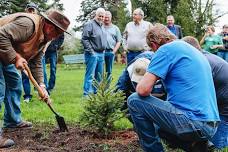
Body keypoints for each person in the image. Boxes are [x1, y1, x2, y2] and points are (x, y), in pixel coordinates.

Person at [127, 23, 220, 152]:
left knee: (134, 101)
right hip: (210, 125)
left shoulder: (165, 49)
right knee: (157, 125)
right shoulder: (191, 49)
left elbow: (142, 90)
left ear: (154, 45)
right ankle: (196, 146)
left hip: (192, 121)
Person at [0, 9, 70, 148]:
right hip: (4, 49)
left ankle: (13, 120)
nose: (57, 37)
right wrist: (16, 58)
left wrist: (42, 86)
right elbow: (1, 35)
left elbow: (37, 62)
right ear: (50, 26)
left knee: (15, 84)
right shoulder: (28, 24)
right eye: (58, 33)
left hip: (5, 54)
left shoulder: (45, 37)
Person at [182, 36, 228, 149]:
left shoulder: (202, 61)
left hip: (225, 102)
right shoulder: (206, 56)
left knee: (218, 145)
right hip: (221, 96)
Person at [81, 8, 107, 96]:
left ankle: (96, 93)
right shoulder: (89, 24)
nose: (101, 18)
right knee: (90, 76)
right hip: (92, 53)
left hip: (101, 53)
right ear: (96, 15)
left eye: (103, 16)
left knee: (99, 76)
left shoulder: (102, 25)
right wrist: (92, 52)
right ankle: (87, 94)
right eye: (99, 16)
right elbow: (85, 39)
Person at [21, 2, 39, 102]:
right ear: (26, 10)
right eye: (29, 9)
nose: (31, 11)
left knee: (38, 73)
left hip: (36, 53)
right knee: (24, 76)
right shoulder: (22, 21)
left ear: (36, 11)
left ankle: (40, 90)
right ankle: (27, 96)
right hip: (24, 54)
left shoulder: (39, 23)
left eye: (33, 10)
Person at [103, 11, 121, 82]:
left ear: (111, 18)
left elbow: (119, 41)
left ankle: (107, 89)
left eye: (108, 17)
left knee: (109, 71)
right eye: (105, 17)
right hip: (101, 52)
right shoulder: (100, 27)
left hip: (110, 52)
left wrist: (113, 52)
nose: (106, 19)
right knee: (99, 71)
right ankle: (98, 88)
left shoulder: (115, 28)